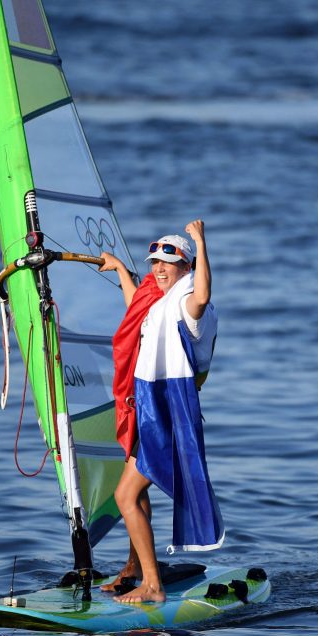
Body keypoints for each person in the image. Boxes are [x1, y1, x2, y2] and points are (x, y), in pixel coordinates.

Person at [97, 219, 223, 604]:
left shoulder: (189, 304)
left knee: (125, 496)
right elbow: (139, 308)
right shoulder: (162, 301)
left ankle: (152, 585)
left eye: (168, 263)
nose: (158, 269)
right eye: (154, 262)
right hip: (151, 407)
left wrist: (200, 243)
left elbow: (202, 294)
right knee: (132, 492)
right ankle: (136, 568)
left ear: (187, 266)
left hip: (169, 409)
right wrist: (121, 269)